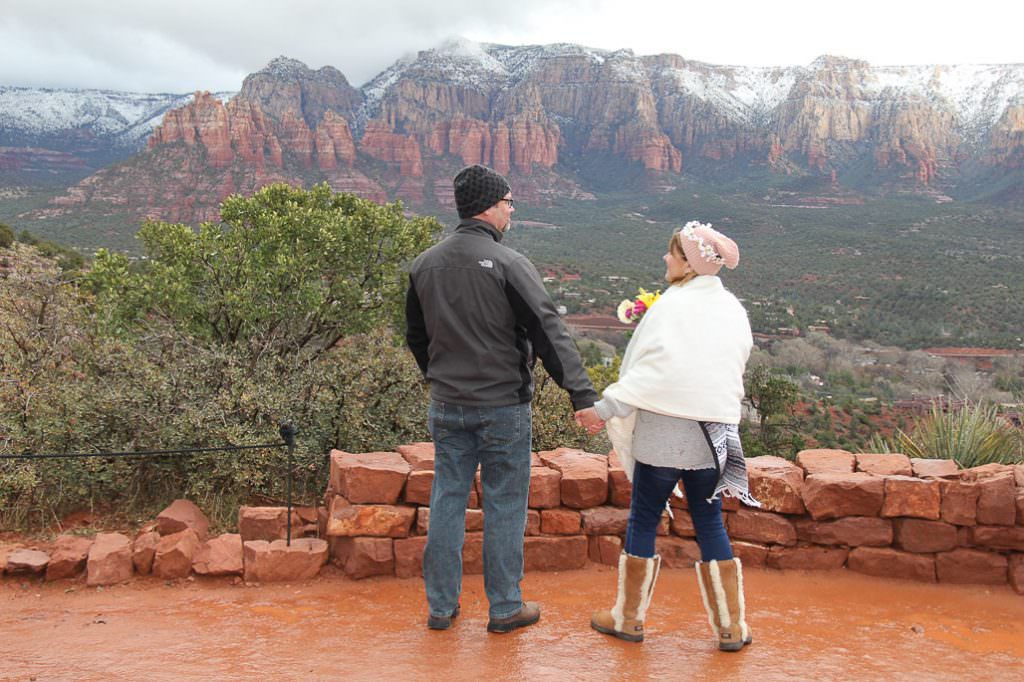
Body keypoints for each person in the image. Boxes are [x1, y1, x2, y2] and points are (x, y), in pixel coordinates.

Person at [405, 164, 601, 633]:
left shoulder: (424, 264)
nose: (512, 210)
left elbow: (416, 337)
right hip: (503, 408)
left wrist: (440, 377)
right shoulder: (510, 264)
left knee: (447, 499)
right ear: (491, 207)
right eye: (510, 202)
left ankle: (440, 607)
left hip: (447, 406)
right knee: (505, 504)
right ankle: (505, 607)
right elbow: (548, 330)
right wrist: (582, 396)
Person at [576, 221, 759, 651]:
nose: (665, 259)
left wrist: (604, 409)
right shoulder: (733, 309)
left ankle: (628, 619)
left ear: (688, 263)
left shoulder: (672, 306)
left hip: (664, 433)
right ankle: (732, 628)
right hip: (716, 434)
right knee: (710, 521)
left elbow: (651, 374)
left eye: (671, 253)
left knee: (643, 517)